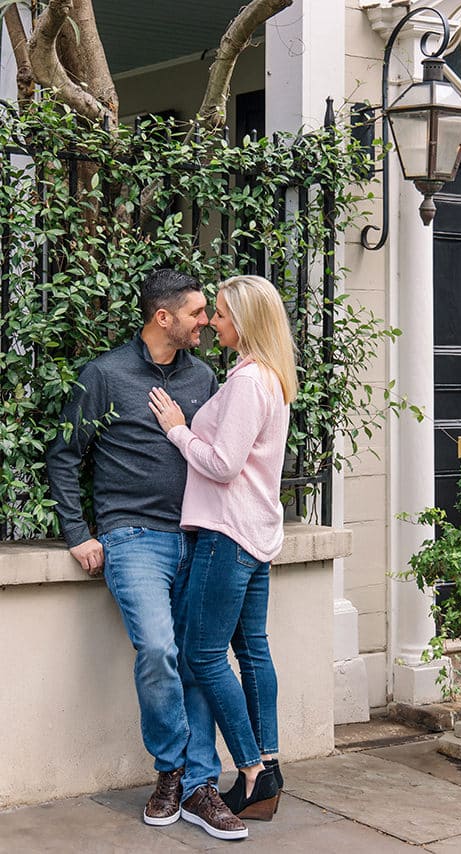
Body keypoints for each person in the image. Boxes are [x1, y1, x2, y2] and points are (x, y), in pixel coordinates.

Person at [43, 269, 241, 837]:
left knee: (200, 659)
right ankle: (172, 771)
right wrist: (78, 532)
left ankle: (201, 785)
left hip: (200, 535)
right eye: (197, 313)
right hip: (133, 537)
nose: (206, 322)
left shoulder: (203, 376)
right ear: (163, 317)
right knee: (157, 648)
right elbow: (64, 455)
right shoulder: (104, 375)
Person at [148, 274, 295, 831]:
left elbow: (223, 464)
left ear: (246, 322)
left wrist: (178, 430)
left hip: (228, 533)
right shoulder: (270, 376)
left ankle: (252, 769)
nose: (213, 321)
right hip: (255, 534)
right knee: (252, 650)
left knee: (203, 655)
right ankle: (269, 768)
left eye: (223, 314)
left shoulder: (249, 381)